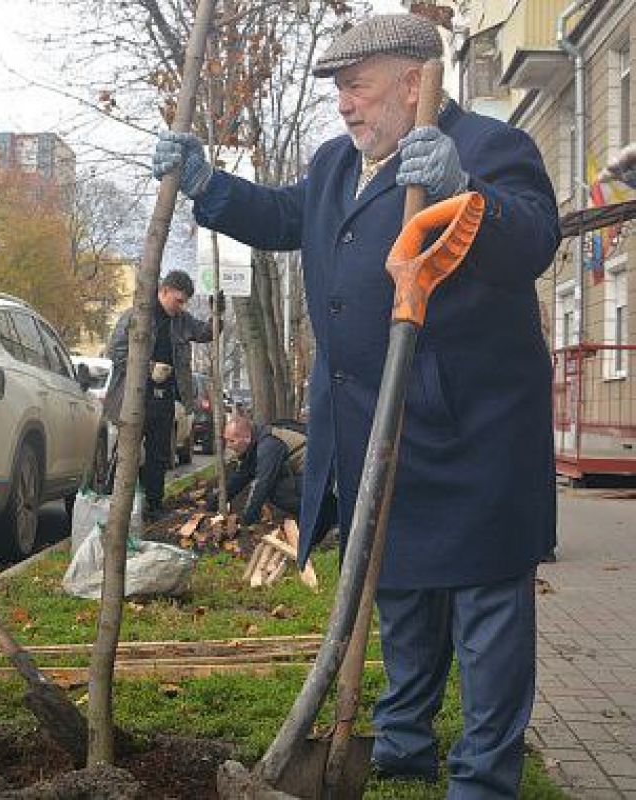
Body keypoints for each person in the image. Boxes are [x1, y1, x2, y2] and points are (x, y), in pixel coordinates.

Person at [152, 13, 558, 795]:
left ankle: (482, 775)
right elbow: (282, 217)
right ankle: (405, 742)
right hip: (375, 429)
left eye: (356, 87)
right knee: (397, 587)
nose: (343, 105)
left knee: (485, 614)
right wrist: (209, 186)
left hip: (469, 432)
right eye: (339, 90)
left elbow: (535, 239)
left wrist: (464, 191)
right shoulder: (339, 163)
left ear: (414, 83)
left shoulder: (491, 149)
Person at [102, 269, 216, 519]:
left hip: (164, 398)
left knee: (159, 453)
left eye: (184, 302)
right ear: (163, 291)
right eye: (178, 300)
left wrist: (217, 314)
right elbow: (116, 353)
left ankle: (153, 506)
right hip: (134, 395)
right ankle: (111, 501)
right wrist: (149, 367)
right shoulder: (137, 316)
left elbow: (207, 333)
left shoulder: (182, 321)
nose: (181, 306)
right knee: (126, 450)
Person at [211, 415, 307, 524]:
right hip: (306, 478)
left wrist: (246, 520)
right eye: (226, 441)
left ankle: (311, 517)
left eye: (232, 441)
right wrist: (213, 503)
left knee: (276, 490)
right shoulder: (256, 443)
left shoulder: (269, 445)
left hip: (317, 481)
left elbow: (263, 484)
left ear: (246, 437)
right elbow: (241, 477)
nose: (228, 446)